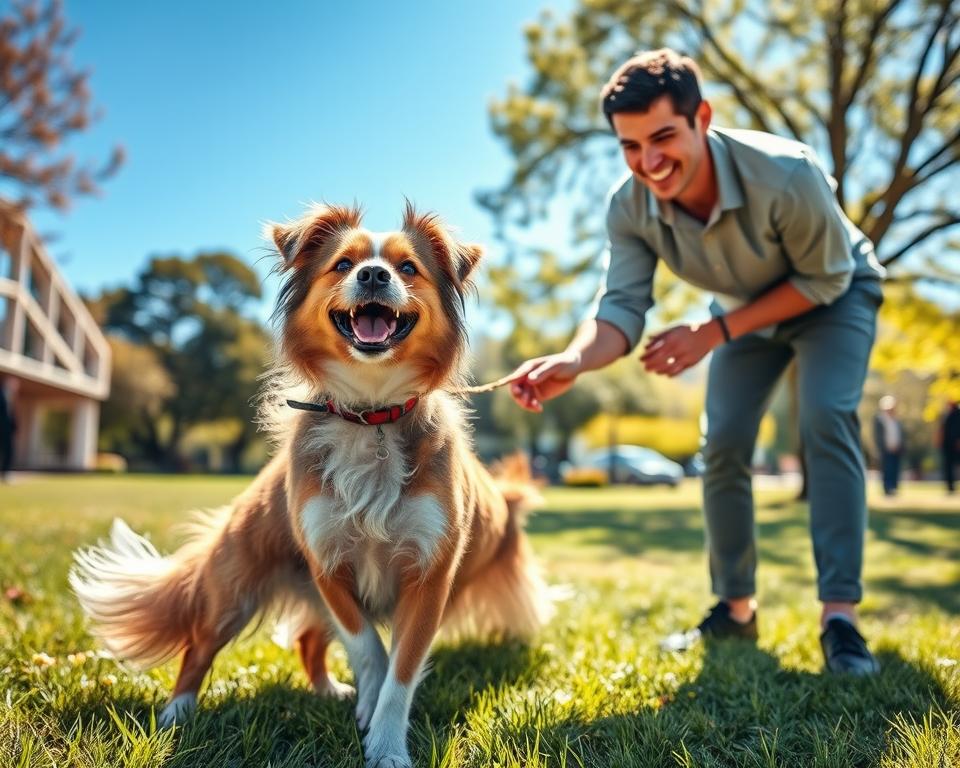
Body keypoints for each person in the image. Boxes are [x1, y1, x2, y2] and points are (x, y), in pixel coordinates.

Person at [507, 49, 884, 675]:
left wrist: (714, 331)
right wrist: (573, 360)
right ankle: (736, 608)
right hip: (738, 314)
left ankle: (839, 619)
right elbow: (621, 308)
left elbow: (825, 279)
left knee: (825, 418)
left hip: (834, 297)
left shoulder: (787, 173)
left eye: (663, 137)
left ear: (701, 117)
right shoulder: (629, 207)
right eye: (630, 146)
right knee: (723, 444)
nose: (649, 162)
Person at [872, 395, 904, 496]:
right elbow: (877, 436)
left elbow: (900, 434)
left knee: (895, 469)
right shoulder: (879, 419)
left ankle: (894, 488)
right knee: (887, 469)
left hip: (896, 449)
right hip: (885, 449)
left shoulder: (896, 420)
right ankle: (887, 489)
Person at [938, 401, 960, 494]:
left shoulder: (957, 414)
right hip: (947, 446)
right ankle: (950, 487)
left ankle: (950, 486)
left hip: (955, 445)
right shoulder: (947, 414)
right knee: (948, 467)